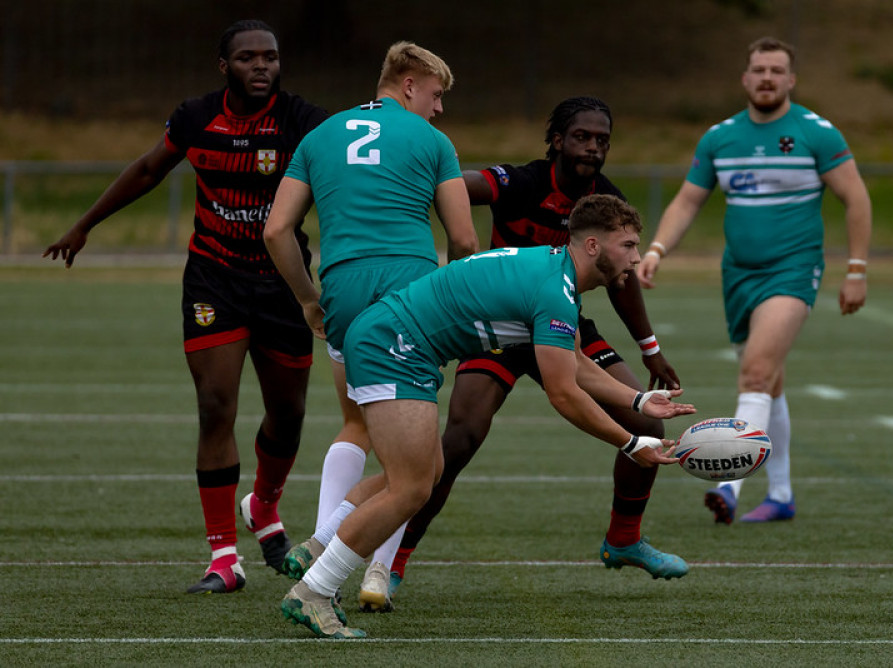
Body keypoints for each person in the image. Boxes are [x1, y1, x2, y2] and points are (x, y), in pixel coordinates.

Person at [274, 194, 696, 638]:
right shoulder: (556, 287)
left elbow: (573, 363)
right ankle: (314, 591)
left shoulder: (557, 274)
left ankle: (319, 544)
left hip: (392, 342)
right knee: (412, 486)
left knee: (426, 470)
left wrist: (637, 402)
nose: (635, 258)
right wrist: (630, 443)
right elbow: (564, 395)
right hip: (395, 348)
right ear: (593, 246)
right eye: (627, 245)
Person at [43, 21, 330, 593]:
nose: (261, 66)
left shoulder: (303, 122)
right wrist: (84, 225)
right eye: (247, 57)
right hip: (214, 280)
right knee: (214, 405)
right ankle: (224, 556)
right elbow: (150, 168)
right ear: (223, 66)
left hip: (282, 284)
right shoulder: (198, 117)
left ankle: (265, 506)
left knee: (289, 414)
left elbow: (350, 179)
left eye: (270, 57)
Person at [261, 42, 479, 608]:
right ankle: (371, 570)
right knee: (416, 461)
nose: (438, 109)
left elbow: (276, 231)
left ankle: (320, 541)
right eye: (435, 96)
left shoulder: (319, 135)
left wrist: (310, 300)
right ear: (408, 85)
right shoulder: (432, 142)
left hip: (342, 289)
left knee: (356, 423)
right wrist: (451, 306)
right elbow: (463, 240)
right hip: (408, 294)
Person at [637, 36, 872, 524]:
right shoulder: (720, 137)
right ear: (745, 78)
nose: (767, 77)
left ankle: (729, 484)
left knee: (756, 374)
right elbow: (687, 201)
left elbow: (857, 198)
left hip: (793, 269)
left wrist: (856, 269)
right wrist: (656, 249)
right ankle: (782, 494)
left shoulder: (816, 132)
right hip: (738, 276)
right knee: (772, 383)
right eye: (759, 69)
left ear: (791, 80)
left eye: (776, 70)